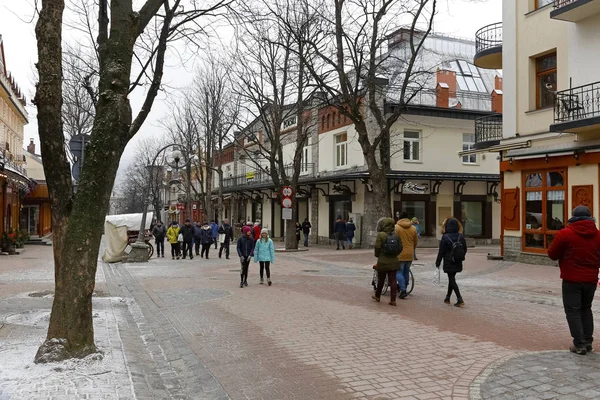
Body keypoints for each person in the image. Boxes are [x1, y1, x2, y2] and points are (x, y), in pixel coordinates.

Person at [548, 206, 600, 355]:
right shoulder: (598, 235)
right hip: (590, 280)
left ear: (573, 217)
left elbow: (552, 254)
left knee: (572, 311)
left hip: (571, 279)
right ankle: (588, 341)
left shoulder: (565, 234)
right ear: (590, 218)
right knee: (586, 308)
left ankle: (579, 344)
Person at [436, 218, 467, 308]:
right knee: (452, 278)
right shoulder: (460, 236)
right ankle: (447, 297)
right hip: (457, 260)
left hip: (448, 261)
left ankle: (459, 298)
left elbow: (441, 251)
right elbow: (465, 249)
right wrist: (459, 256)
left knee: (451, 279)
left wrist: (438, 262)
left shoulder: (445, 237)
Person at [373, 217, 401, 306]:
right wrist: (395, 254)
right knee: (393, 280)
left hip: (383, 260)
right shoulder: (396, 235)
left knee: (381, 279)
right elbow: (400, 247)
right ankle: (393, 300)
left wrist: (378, 255)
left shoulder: (381, 235)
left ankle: (377, 296)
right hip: (394, 260)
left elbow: (377, 247)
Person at [395, 212, 418, 299]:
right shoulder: (413, 228)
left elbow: (395, 240)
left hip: (399, 253)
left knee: (398, 272)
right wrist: (412, 249)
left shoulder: (396, 227)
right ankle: (405, 287)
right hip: (409, 253)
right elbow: (415, 242)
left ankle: (403, 289)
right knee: (406, 271)